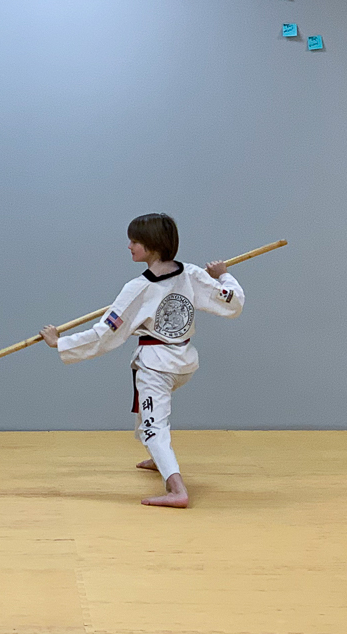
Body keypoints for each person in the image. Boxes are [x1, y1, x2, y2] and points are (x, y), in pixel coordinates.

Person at [39, 213, 244, 508]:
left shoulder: (138, 288)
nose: (129, 246)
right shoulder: (191, 274)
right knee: (147, 412)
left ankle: (177, 489)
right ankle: (159, 459)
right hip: (183, 363)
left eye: (135, 241)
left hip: (157, 366)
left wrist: (61, 342)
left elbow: (105, 334)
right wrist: (223, 276)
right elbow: (232, 301)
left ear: (152, 245)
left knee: (154, 426)